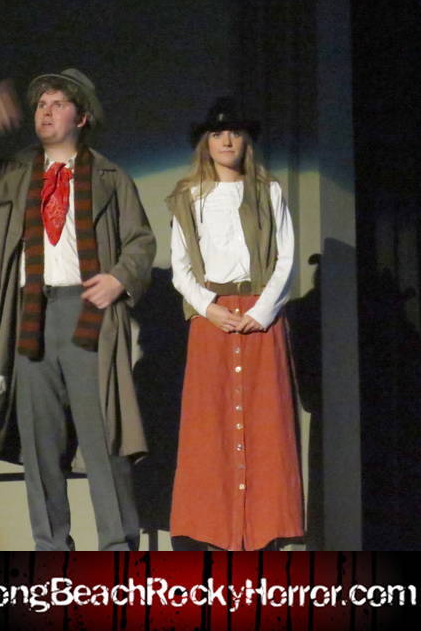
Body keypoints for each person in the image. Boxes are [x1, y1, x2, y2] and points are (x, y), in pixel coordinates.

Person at [0, 68, 156, 551]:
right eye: (40, 105)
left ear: (83, 116)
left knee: (104, 437)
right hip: (31, 315)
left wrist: (120, 277)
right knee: (40, 443)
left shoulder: (110, 177)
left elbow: (141, 240)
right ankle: (52, 551)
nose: (46, 112)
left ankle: (118, 552)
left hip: (87, 313)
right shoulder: (12, 174)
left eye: (58, 104)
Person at [166, 97, 304, 550]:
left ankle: (264, 534)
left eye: (235, 132)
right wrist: (209, 307)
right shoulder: (189, 198)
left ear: (247, 141)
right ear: (205, 143)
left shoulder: (269, 192)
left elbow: (286, 258)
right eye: (217, 133)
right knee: (211, 426)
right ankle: (217, 533)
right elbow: (181, 266)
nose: (227, 140)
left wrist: (261, 311)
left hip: (260, 316)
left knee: (266, 427)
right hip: (214, 319)